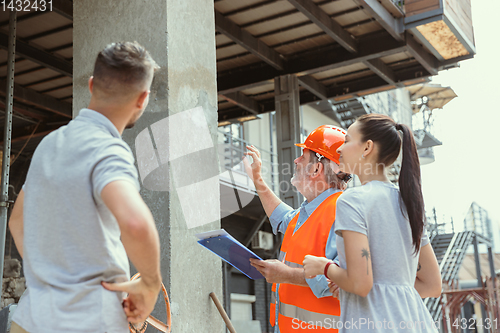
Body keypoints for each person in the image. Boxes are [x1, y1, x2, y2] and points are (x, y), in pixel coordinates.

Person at [8, 42, 162, 333]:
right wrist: (150, 285)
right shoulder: (109, 150)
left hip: (31, 317)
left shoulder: (50, 143)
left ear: (91, 85)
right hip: (88, 320)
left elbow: (17, 222)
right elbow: (135, 223)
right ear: (142, 99)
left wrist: (54, 276)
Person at [303, 114, 442, 332]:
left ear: (367, 147)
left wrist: (324, 267)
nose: (339, 149)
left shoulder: (352, 200)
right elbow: (432, 285)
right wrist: (353, 285)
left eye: (347, 141)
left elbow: (360, 284)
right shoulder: (409, 203)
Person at [244, 125, 351, 332]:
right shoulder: (309, 211)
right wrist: (257, 179)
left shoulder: (342, 211)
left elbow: (341, 279)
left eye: (303, 156)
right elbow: (282, 216)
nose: (296, 160)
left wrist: (286, 275)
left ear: (316, 169)